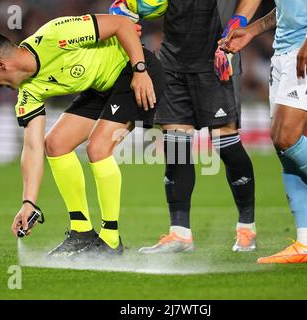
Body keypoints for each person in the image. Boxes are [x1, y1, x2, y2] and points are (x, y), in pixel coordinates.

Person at [0, 14, 165, 257]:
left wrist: (140, 70)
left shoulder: (56, 35)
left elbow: (122, 25)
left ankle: (111, 240)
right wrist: (28, 202)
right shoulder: (28, 93)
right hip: (101, 87)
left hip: (133, 72)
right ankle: (81, 231)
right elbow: (32, 148)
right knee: (55, 144)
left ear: (0, 64)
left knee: (98, 148)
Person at [220, 0, 307, 263]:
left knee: (287, 136)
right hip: (284, 53)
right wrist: (252, 30)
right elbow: (287, 10)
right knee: (283, 145)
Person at [110, 0, 257, 253]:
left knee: (226, 145)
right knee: (175, 148)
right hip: (173, 60)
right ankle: (180, 233)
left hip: (218, 58)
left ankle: (247, 227)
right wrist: (124, 9)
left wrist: (239, 21)